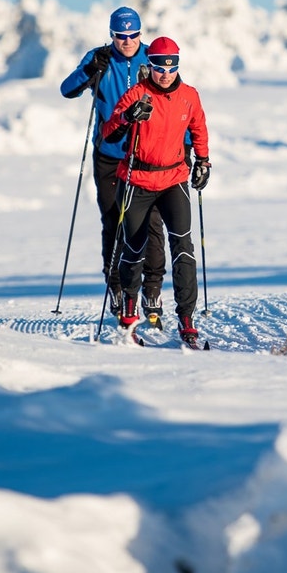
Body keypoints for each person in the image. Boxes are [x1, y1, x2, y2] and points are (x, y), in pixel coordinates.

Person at [99, 36, 211, 348]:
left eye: (171, 66)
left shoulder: (189, 96)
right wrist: (126, 117)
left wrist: (203, 161)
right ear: (150, 66)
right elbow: (110, 130)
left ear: (177, 65)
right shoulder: (137, 94)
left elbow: (199, 128)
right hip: (137, 179)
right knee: (134, 248)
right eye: (159, 66)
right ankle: (129, 314)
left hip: (174, 178)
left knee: (183, 247)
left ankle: (186, 319)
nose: (165, 72)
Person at [60, 6, 169, 326]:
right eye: (121, 36)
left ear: (140, 33)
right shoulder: (99, 59)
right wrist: (88, 70)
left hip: (147, 157)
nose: (127, 41)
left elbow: (176, 98)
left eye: (133, 35)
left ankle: (152, 289)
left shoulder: (152, 58)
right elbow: (67, 90)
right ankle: (117, 287)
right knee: (113, 221)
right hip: (109, 154)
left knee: (151, 224)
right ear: (112, 35)